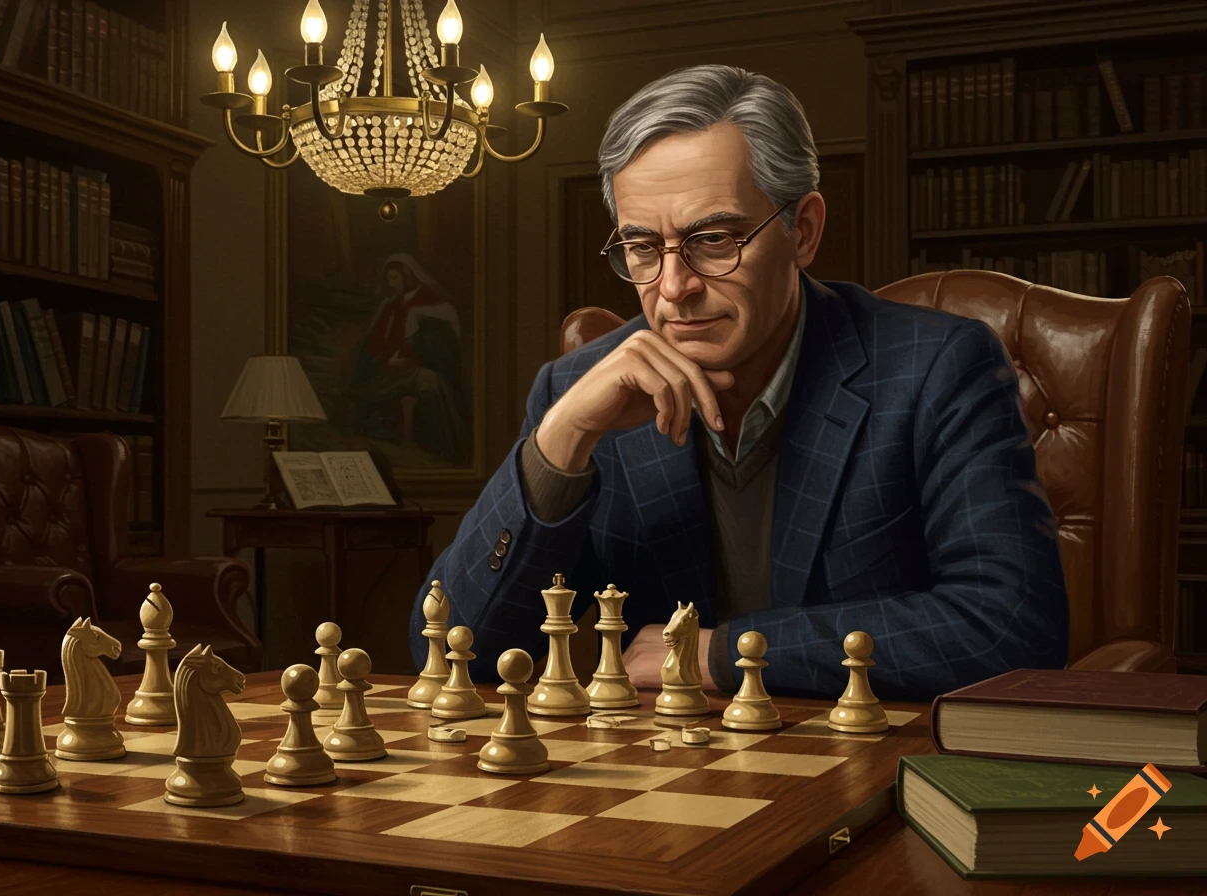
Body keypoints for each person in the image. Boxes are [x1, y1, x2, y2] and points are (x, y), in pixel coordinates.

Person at [409, 64, 1069, 701]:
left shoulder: (937, 368)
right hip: (661, 766)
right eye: (642, 248)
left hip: (864, 757)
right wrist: (560, 443)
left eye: (714, 240)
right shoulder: (577, 391)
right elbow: (451, 651)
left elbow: (1012, 630)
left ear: (802, 231)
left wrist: (724, 653)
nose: (674, 287)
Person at [348, 253, 468, 463]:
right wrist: (386, 358)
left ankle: (442, 445)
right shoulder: (389, 305)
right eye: (389, 280)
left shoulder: (432, 305)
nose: (392, 284)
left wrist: (406, 355)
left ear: (408, 275)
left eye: (395, 278)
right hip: (387, 366)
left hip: (413, 364)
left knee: (432, 382)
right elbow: (377, 340)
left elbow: (432, 343)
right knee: (427, 381)